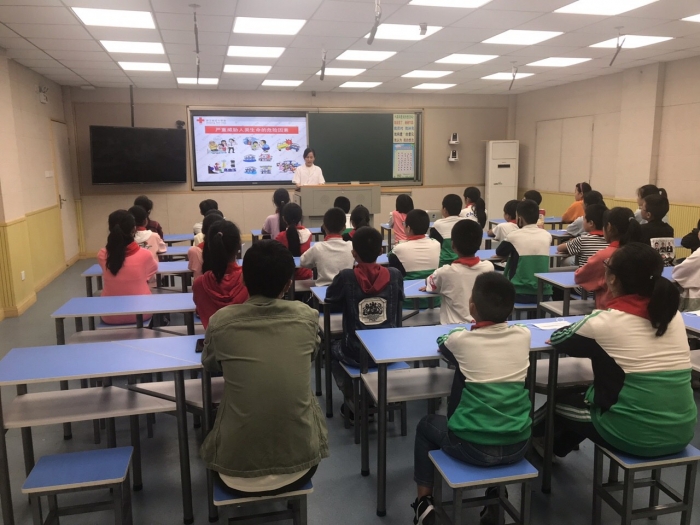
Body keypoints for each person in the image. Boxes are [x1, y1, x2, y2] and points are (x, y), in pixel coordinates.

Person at [533, 243, 695, 460]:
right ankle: (554, 447)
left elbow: (559, 339)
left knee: (559, 404)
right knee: (590, 396)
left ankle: (521, 442)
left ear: (612, 279)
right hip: (682, 431)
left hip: (633, 434)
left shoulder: (605, 321)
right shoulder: (672, 316)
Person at [200, 240, 328, 494]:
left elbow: (210, 363)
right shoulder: (307, 316)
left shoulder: (221, 321)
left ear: (243, 279)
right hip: (301, 463)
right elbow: (312, 354)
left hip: (232, 468)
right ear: (288, 284)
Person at [411, 272, 531, 525]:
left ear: (472, 307)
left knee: (426, 425)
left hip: (472, 448)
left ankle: (423, 502)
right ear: (511, 309)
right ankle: (495, 494)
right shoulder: (524, 336)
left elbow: (443, 342)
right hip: (519, 445)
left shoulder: (461, 339)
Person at [325, 226, 404, 406]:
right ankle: (381, 395)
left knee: (331, 348)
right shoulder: (395, 275)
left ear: (353, 253)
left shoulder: (346, 277)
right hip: (389, 350)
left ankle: (353, 398)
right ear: (381, 251)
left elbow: (330, 298)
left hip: (355, 352)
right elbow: (400, 298)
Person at [422, 219, 494, 325]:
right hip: (480, 327)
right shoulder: (489, 267)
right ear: (479, 244)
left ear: (453, 245)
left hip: (452, 329)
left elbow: (429, 282)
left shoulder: (445, 272)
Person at [97, 210, 157, 325]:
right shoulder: (145, 255)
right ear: (134, 229)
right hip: (142, 312)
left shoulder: (102, 255)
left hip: (109, 314)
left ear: (110, 229)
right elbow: (151, 271)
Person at [574, 207, 641, 310]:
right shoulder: (642, 252)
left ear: (608, 227)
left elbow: (580, 277)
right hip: (639, 310)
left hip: (610, 310)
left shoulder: (604, 256)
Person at [192, 220, 248, 329]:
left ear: (209, 246)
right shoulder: (250, 279)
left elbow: (199, 311)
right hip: (246, 338)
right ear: (238, 247)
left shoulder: (199, 284)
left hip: (214, 339)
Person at [496, 199, 552, 303]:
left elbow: (499, 252)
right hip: (544, 293)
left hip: (519, 292)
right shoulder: (547, 235)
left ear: (520, 219)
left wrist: (509, 254)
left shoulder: (513, 236)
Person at [389, 209, 441, 309]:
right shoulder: (436, 244)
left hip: (407, 302)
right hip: (434, 301)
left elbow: (393, 269)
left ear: (408, 228)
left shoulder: (398, 249)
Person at [300, 207, 355, 287]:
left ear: (324, 227)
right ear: (344, 227)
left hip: (323, 291)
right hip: (346, 291)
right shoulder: (351, 247)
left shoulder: (317, 248)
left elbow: (303, 262)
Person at [557, 203, 609, 272]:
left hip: (585, 276)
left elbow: (560, 248)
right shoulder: (610, 240)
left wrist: (571, 244)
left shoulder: (583, 240)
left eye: (584, 219)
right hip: (603, 276)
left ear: (591, 223)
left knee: (562, 262)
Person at [275, 203, 313, 281]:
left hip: (287, 278)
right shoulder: (309, 234)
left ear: (284, 218)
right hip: (306, 276)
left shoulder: (280, 237)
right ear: (300, 218)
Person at [640, 193, 675, 265]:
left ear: (648, 214)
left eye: (642, 208)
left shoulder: (642, 229)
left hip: (646, 266)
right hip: (664, 265)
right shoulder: (669, 229)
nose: (640, 209)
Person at [430, 194, 465, 267]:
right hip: (463, 263)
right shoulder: (466, 223)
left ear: (445, 210)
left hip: (444, 264)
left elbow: (434, 246)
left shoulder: (437, 225)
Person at [189, 210, 224, 280]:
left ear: (203, 230)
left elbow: (192, 269)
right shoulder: (228, 248)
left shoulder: (194, 250)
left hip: (200, 285)